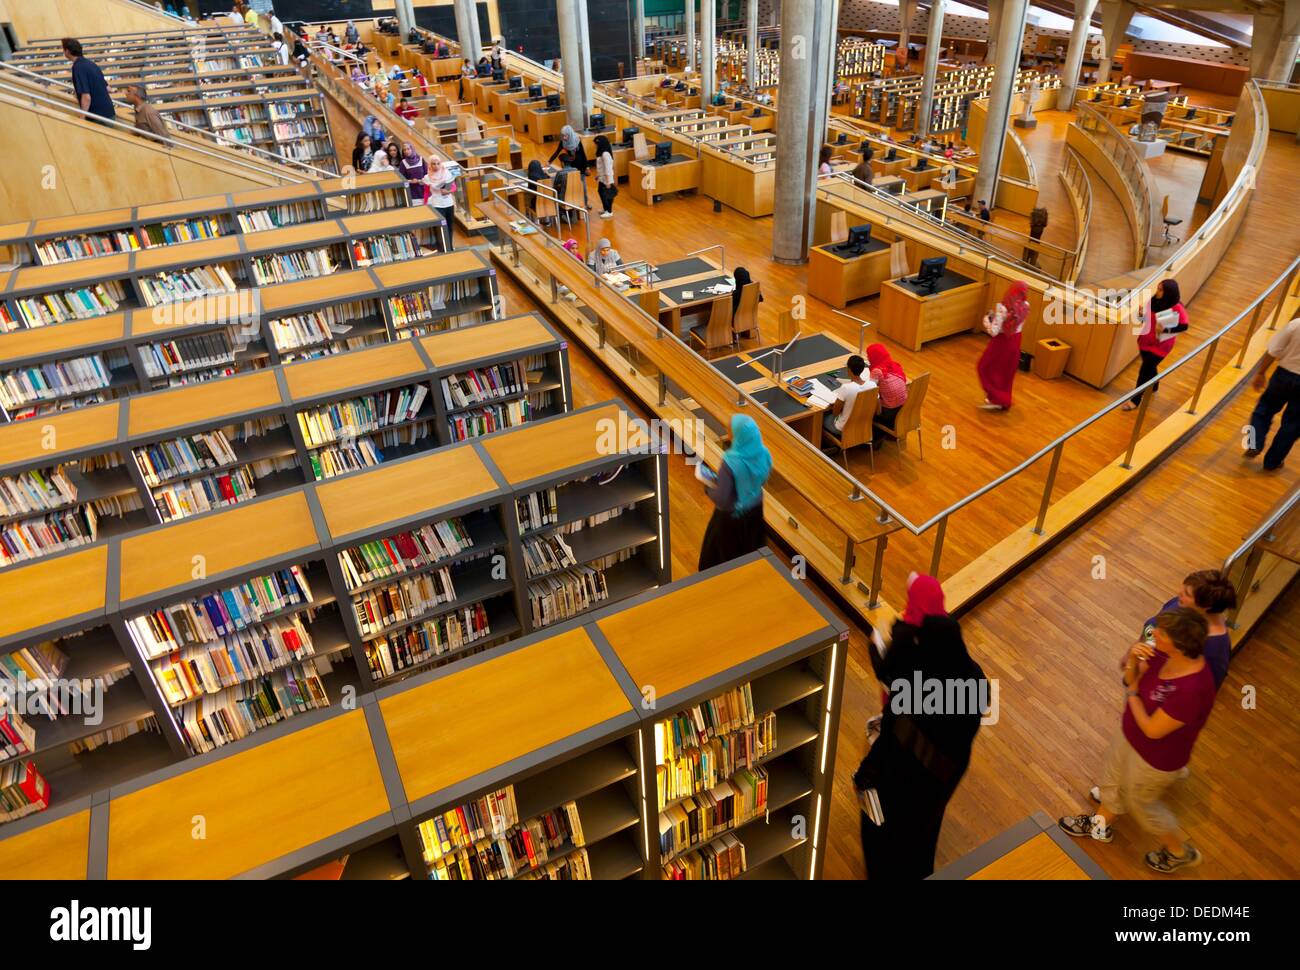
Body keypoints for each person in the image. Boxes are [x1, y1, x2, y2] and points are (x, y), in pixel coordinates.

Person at [1058, 607, 1215, 874]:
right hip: (1129, 734)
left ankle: (1179, 851)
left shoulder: (1193, 688)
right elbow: (1129, 678)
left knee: (1141, 804)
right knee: (1113, 777)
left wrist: (1132, 694)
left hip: (1156, 759)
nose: (1154, 633)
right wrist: (1133, 657)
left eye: (1161, 633)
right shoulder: (1160, 652)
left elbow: (1153, 730)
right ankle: (1100, 823)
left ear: (1179, 644)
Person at [854, 572, 986, 879]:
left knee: (885, 835)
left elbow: (892, 741)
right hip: (944, 776)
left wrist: (866, 775)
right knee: (923, 833)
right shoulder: (973, 677)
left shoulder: (914, 689)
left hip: (905, 778)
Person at [698, 414, 772, 570]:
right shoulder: (764, 453)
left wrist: (709, 488)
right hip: (755, 514)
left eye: (730, 430)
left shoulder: (731, 461)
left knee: (721, 562)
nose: (728, 433)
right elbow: (763, 479)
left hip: (730, 520)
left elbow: (723, 499)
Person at [1142, 570, 1235, 691]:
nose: (1179, 593)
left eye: (1187, 593)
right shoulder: (1181, 603)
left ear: (1207, 606)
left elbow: (1205, 689)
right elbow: (1152, 626)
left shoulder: (1215, 648)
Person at [1123, 278, 1188, 411]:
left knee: (1144, 371)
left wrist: (1165, 329)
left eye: (1160, 290)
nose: (1157, 292)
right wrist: (1141, 315)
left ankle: (1135, 400)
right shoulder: (1153, 301)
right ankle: (1154, 385)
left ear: (1168, 292)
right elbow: (1144, 321)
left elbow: (1184, 326)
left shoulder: (1177, 307)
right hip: (1145, 341)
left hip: (1161, 346)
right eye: (1157, 288)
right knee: (1150, 368)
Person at [1245, 315, 1300, 471]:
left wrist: (1261, 372)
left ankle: (1254, 443)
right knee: (1294, 424)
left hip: (1283, 375)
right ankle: (1272, 462)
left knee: (1264, 409)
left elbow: (1273, 350)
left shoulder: (1296, 324)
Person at [977, 280, 1030, 411]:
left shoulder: (1003, 307)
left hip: (1001, 343)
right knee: (1006, 373)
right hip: (1016, 342)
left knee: (984, 367)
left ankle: (996, 398)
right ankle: (1003, 399)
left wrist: (986, 320)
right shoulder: (1026, 305)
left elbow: (994, 331)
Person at [62, 38, 115, 123]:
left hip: (98, 117)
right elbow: (108, 88)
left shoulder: (78, 67)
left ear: (67, 51)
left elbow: (86, 97)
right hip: (110, 113)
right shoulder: (91, 64)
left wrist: (82, 118)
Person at [826, 355, 876, 441]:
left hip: (843, 428)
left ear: (848, 369)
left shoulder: (846, 388)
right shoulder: (873, 385)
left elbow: (835, 412)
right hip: (863, 426)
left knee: (824, 417)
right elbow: (877, 409)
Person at [867, 343, 909, 429]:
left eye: (868, 355)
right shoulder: (895, 365)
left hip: (888, 413)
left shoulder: (877, 371)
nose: (868, 358)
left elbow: (870, 392)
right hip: (903, 409)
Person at [425, 157, 458, 250]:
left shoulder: (447, 173)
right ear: (430, 165)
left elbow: (454, 187)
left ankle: (450, 246)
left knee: (450, 226)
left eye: (438, 163)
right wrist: (425, 203)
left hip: (449, 203)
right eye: (433, 164)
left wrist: (449, 191)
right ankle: (444, 247)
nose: (436, 166)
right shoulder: (427, 177)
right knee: (442, 227)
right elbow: (426, 192)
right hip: (437, 204)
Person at [592, 134, 617, 219]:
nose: (595, 146)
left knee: (607, 195)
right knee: (601, 192)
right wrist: (598, 176)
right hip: (602, 178)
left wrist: (608, 182)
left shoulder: (605, 154)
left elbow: (608, 169)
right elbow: (601, 167)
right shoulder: (602, 153)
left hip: (606, 179)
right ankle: (605, 209)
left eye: (596, 144)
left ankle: (609, 211)